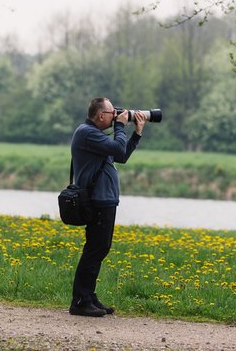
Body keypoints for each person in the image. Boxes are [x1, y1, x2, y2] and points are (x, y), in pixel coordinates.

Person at [68, 97, 147, 317]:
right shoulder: (86, 133)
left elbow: (120, 155)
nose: (115, 116)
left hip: (105, 199)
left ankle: (89, 297)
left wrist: (137, 133)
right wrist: (121, 125)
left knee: (100, 248)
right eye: (112, 113)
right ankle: (80, 301)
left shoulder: (96, 137)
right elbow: (118, 148)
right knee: (95, 249)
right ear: (101, 115)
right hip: (97, 199)